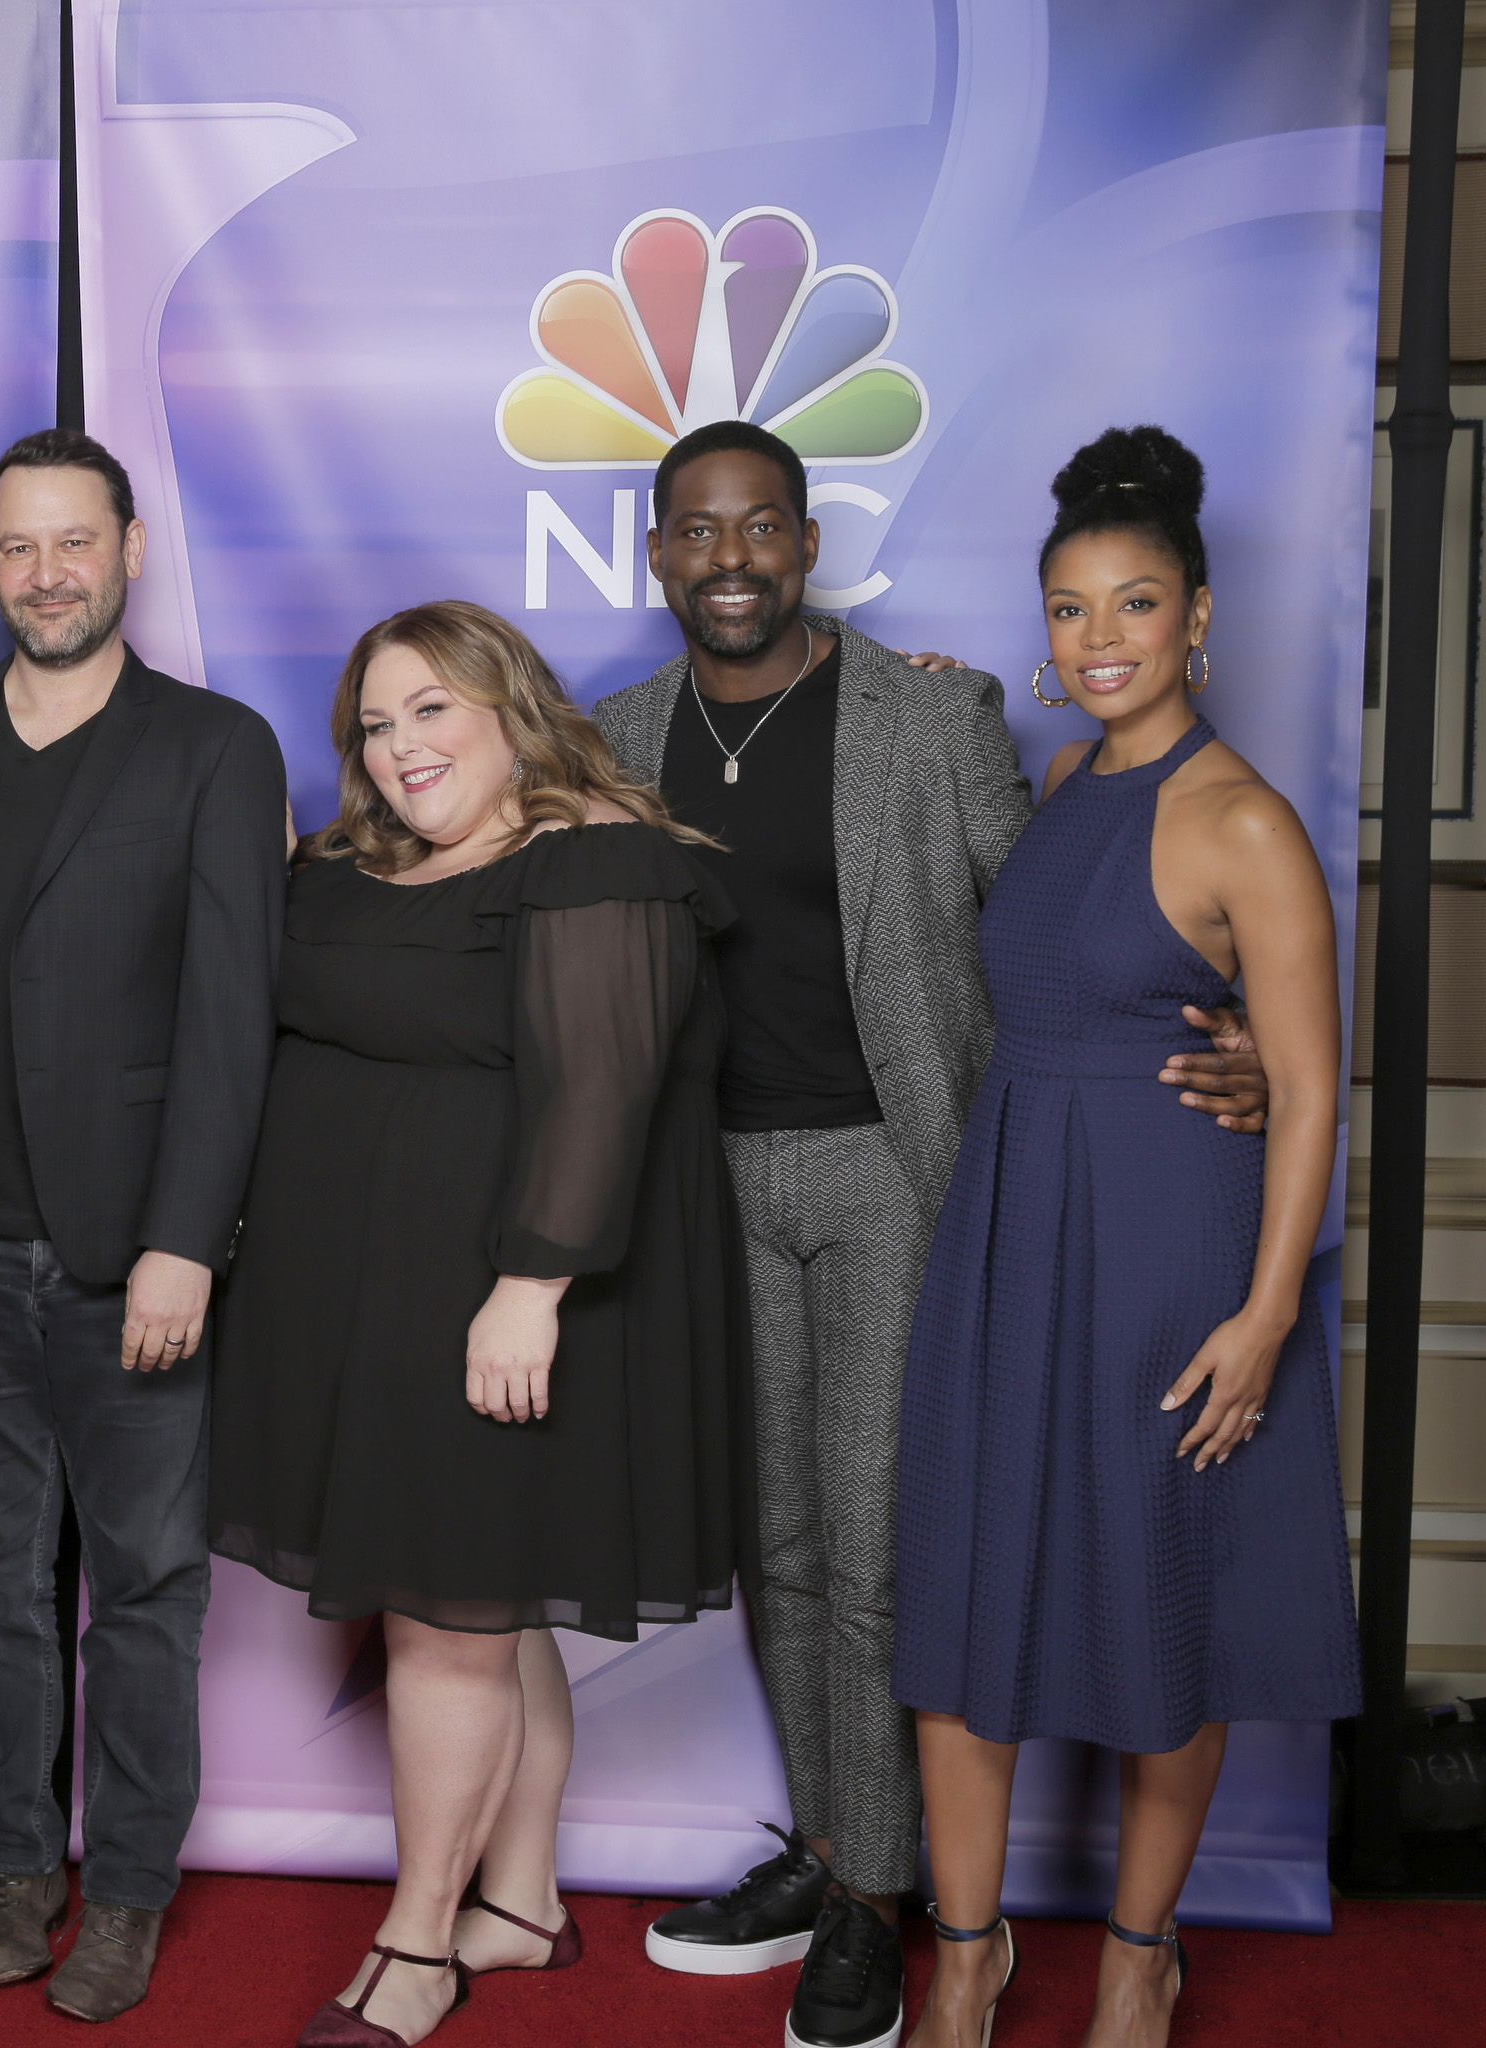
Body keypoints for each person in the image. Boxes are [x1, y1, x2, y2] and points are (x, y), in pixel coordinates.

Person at [588, 420, 1267, 2048]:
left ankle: (884, 1901)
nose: (732, 557)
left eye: (763, 526)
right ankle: (834, 1849)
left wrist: (1238, 1033)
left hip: (902, 1174)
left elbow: (1067, 927)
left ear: (808, 545)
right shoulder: (615, 737)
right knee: (780, 1547)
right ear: (660, 555)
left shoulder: (931, 713)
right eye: (700, 531)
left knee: (882, 1543)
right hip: (712, 1182)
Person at [212, 600, 743, 2048]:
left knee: (449, 1622)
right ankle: (519, 1903)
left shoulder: (594, 860)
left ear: (512, 707)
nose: (401, 747)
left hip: (496, 1300)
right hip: (369, 1303)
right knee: (486, 1606)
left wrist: (531, 1287)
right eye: (376, 725)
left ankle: (417, 1944)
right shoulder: (350, 866)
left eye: (431, 709)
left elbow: (603, 1093)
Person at [894, 428, 1357, 2048]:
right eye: (1071, 609)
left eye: (1136, 604)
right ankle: (967, 1958)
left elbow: (1310, 1087)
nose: (1101, 640)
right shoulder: (1059, 782)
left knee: (1164, 1606)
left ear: (1199, 618)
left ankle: (1139, 1957)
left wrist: (1267, 1318)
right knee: (967, 1600)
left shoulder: (1246, 822)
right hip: (1011, 1234)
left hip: (1170, 1254)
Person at [0, 429, 290, 2023]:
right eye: (17, 547)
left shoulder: (215, 747)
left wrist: (188, 1239)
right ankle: (13, 1864)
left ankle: (126, 1886)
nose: (45, 574)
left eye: (74, 541)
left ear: (130, 547)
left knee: (144, 1591)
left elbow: (232, 1017)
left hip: (134, 1254)